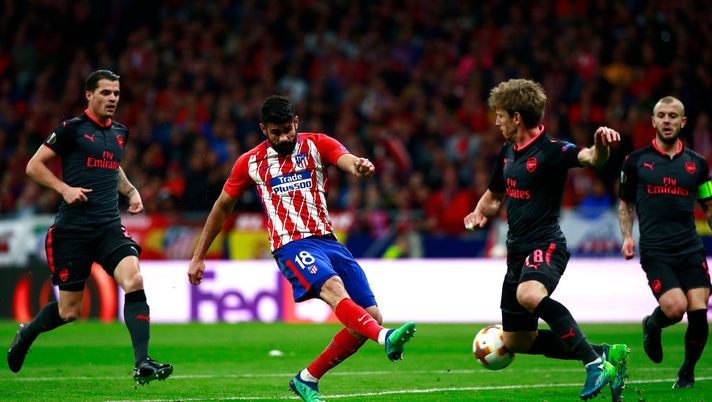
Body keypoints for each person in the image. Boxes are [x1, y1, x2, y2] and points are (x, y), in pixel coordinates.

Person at [188, 95, 416, 402]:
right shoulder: (249, 163)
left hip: (328, 240)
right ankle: (385, 337)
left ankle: (306, 379)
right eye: (275, 132)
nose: (283, 137)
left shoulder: (317, 144)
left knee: (370, 314)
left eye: (287, 129)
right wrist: (198, 256)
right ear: (262, 130)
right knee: (335, 290)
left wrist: (358, 166)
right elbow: (221, 207)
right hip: (290, 244)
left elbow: (344, 157)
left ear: (297, 122)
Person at [463, 79, 629, 401]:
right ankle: (608, 353)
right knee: (517, 341)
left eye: (499, 115)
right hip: (516, 252)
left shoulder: (553, 151)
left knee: (529, 294)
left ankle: (594, 364)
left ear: (516, 117)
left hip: (546, 245)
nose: (495, 122)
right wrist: (479, 213)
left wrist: (601, 145)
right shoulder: (507, 153)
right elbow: (495, 194)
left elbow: (592, 158)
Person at [6, 70, 173, 385]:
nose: (112, 99)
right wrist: (64, 189)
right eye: (106, 93)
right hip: (73, 231)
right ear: (89, 95)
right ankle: (27, 333)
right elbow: (33, 166)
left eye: (116, 94)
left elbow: (112, 164)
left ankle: (143, 363)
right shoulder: (71, 129)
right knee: (70, 311)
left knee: (134, 278)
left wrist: (131, 190)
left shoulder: (120, 132)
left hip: (108, 226)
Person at [619, 96, 711, 389]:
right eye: (662, 115)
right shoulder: (635, 162)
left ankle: (686, 372)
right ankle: (653, 324)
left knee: (698, 311)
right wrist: (627, 237)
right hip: (657, 251)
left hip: (690, 247)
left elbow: (708, 206)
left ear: (683, 122)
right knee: (675, 309)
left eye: (673, 116)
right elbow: (626, 204)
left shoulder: (698, 164)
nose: (668, 120)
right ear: (653, 121)